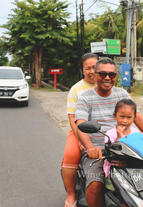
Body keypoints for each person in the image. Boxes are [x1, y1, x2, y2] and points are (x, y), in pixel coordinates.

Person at [75, 58, 143, 207]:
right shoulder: (85, 97)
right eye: (103, 73)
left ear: (116, 76)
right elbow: (80, 123)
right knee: (95, 184)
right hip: (100, 152)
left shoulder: (122, 94)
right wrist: (90, 147)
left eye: (111, 74)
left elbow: (137, 117)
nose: (107, 77)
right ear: (95, 75)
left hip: (129, 149)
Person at [62, 53, 98, 207]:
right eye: (87, 68)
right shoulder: (76, 90)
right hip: (79, 130)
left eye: (94, 67)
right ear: (82, 70)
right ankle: (71, 194)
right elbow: (72, 119)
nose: (92, 71)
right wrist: (82, 139)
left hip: (104, 130)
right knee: (70, 155)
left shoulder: (108, 84)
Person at [103, 99, 139, 178]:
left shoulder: (135, 132)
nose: (125, 121)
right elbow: (110, 150)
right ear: (115, 115)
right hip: (115, 168)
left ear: (134, 118)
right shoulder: (109, 134)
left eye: (129, 117)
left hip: (132, 166)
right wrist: (119, 136)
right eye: (121, 116)